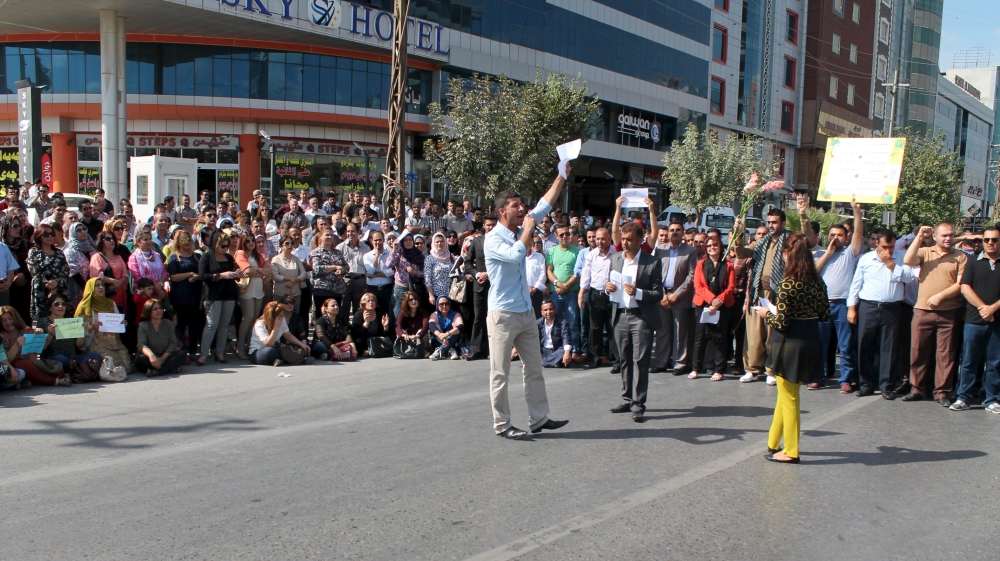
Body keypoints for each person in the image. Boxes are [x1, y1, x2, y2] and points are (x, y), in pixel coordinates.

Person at [484, 170, 570, 439]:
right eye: (515, 206)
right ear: (501, 212)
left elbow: (545, 204)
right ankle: (502, 424)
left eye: (521, 205)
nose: (522, 209)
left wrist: (562, 173)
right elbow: (515, 255)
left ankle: (539, 418)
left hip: (524, 312)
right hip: (502, 314)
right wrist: (529, 230)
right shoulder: (493, 239)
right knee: (500, 373)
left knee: (534, 368)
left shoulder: (522, 229)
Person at [757, 233, 831, 464]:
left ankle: (791, 450)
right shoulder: (818, 282)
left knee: (789, 398)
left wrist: (767, 313)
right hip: (810, 340)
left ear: (788, 254)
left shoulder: (788, 284)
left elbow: (782, 323)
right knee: (785, 395)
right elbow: (824, 314)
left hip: (788, 344)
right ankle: (773, 442)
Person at [901, 223, 967, 406]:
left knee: (946, 354)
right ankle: (916, 389)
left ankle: (942, 392)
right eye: (944, 235)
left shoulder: (960, 256)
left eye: (951, 235)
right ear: (936, 237)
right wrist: (919, 237)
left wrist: (940, 296)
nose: (948, 238)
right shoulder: (926, 252)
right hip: (923, 310)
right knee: (918, 351)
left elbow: (961, 283)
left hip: (949, 312)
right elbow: (908, 260)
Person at [847, 229, 916, 399]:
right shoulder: (866, 259)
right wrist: (852, 307)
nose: (889, 250)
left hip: (892, 308)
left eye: (891, 246)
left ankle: (887, 385)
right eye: (885, 246)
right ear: (877, 243)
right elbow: (856, 284)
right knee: (864, 345)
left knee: (890, 347)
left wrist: (891, 264)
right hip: (868, 306)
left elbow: (908, 277)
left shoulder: (901, 257)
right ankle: (866, 384)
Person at [606, 221, 664, 422]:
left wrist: (638, 292)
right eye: (623, 239)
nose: (625, 243)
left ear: (640, 240)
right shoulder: (615, 259)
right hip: (621, 314)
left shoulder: (651, 262)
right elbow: (609, 283)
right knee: (624, 359)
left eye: (629, 239)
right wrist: (608, 288)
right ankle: (627, 398)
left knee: (640, 360)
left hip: (641, 316)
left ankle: (638, 404)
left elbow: (658, 293)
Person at [811, 197, 864, 390]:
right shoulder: (822, 253)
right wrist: (828, 253)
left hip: (843, 304)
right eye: (832, 234)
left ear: (846, 238)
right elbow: (814, 271)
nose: (835, 238)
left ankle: (846, 380)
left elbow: (859, 232)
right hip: (823, 305)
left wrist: (856, 211)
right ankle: (820, 376)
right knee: (820, 345)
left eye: (840, 235)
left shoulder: (850, 253)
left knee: (845, 345)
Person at [733, 208, 789, 386]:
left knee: (773, 333)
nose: (771, 225)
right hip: (758, 292)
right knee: (754, 333)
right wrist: (739, 232)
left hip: (777, 293)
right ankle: (752, 369)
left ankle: (771, 369)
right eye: (769, 222)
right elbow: (741, 253)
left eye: (774, 222)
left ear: (783, 224)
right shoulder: (761, 242)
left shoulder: (789, 241)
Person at [950, 226, 1000, 412]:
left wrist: (993, 308)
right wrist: (983, 308)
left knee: (995, 363)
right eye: (986, 240)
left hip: (997, 322)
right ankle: (964, 398)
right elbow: (965, 287)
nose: (990, 243)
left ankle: (992, 399)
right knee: (969, 361)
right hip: (974, 320)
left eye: (994, 240)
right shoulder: (972, 261)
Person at [650, 219, 696, 375]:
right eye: (672, 230)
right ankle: (661, 362)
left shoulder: (690, 251)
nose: (674, 232)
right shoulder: (660, 250)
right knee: (662, 331)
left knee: (679, 331)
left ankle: (679, 363)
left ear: (683, 233)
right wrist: (662, 294)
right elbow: (655, 274)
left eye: (678, 230)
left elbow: (691, 276)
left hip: (680, 296)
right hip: (662, 296)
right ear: (668, 233)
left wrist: (677, 294)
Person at [690, 234, 735, 381]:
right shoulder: (701, 264)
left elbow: (730, 287)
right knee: (700, 337)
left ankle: (719, 369)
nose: (711, 248)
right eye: (708, 245)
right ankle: (696, 368)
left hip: (722, 306)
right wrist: (711, 300)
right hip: (703, 304)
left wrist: (718, 302)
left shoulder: (728, 265)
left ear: (721, 246)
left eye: (715, 245)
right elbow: (698, 286)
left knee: (720, 337)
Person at [198, 230, 244, 365]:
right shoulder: (207, 257)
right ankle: (203, 353)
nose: (225, 248)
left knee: (224, 325)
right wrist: (221, 275)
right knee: (212, 324)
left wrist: (237, 274)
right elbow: (202, 276)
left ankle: (220, 352)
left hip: (229, 294)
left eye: (226, 245)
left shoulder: (229, 258)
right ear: (214, 244)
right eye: (222, 246)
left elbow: (232, 274)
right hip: (213, 295)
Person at [0, 305, 70, 386]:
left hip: (34, 363)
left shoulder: (25, 330)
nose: (8, 322)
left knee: (58, 369)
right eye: (4, 320)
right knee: (22, 364)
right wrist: (16, 346)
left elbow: (42, 347)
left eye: (10, 318)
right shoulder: (2, 336)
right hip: (16, 367)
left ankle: (31, 380)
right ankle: (54, 381)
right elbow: (5, 361)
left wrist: (42, 335)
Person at [578, 227, 618, 371]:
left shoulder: (617, 253)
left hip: (613, 296)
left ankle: (613, 357)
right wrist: (581, 293)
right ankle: (597, 357)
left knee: (612, 327)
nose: (599, 242)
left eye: (603, 239)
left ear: (609, 239)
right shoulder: (591, 255)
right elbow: (586, 274)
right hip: (595, 295)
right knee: (595, 328)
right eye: (597, 238)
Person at [75, 278, 133, 373]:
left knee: (126, 366)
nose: (101, 287)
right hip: (95, 342)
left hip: (114, 342)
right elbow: (78, 331)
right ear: (90, 288)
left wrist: (123, 324)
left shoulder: (111, 303)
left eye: (102, 285)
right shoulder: (84, 306)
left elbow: (117, 323)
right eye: (97, 285)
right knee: (108, 364)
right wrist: (91, 327)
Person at [165, 229, 204, 360]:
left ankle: (193, 351)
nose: (186, 242)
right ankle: (180, 351)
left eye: (188, 239)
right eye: (183, 240)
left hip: (195, 296)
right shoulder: (174, 258)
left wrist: (197, 277)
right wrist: (190, 274)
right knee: (180, 326)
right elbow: (173, 277)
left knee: (194, 325)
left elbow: (202, 275)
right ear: (178, 242)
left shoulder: (197, 257)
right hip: (179, 298)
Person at [545, 223, 582, 362]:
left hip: (572, 292)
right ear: (556, 236)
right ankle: (558, 349)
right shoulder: (551, 252)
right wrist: (558, 284)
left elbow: (578, 272)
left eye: (567, 233)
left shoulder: (577, 251)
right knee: (556, 322)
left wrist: (566, 286)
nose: (565, 236)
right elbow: (549, 271)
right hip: (556, 293)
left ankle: (574, 350)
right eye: (562, 234)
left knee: (573, 323)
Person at [38, 293, 103, 370]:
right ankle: (80, 368)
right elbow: (41, 348)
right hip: (53, 358)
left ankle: (76, 368)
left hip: (73, 358)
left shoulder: (71, 321)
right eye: (56, 304)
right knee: (61, 359)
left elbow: (79, 344)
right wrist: (50, 334)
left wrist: (82, 332)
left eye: (63, 304)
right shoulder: (43, 322)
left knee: (96, 356)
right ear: (50, 308)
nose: (61, 306)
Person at [234, 233, 270, 359]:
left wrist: (257, 272)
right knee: (248, 317)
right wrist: (260, 272)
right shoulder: (240, 253)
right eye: (247, 241)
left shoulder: (257, 255)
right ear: (243, 242)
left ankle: (250, 345)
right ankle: (240, 347)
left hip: (259, 288)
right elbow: (247, 270)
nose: (251, 243)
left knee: (255, 318)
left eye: (252, 240)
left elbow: (269, 270)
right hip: (247, 289)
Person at [464, 215, 495, 361]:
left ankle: (491, 350)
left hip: (496, 285)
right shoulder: (476, 241)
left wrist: (488, 274)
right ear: (484, 225)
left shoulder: (500, 242)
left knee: (494, 319)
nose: (491, 227)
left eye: (494, 225)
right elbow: (468, 263)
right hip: (480, 285)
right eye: (488, 225)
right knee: (478, 318)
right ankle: (476, 349)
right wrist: (477, 274)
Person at [26, 224, 70, 322]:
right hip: (41, 291)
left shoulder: (59, 252)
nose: (50, 236)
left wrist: (56, 283)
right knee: (43, 321)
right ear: (39, 236)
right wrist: (49, 285)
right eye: (46, 234)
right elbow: (34, 270)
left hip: (60, 290)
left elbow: (65, 271)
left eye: (52, 234)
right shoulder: (34, 251)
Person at [248, 300, 311, 366]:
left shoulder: (281, 319)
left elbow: (288, 335)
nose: (283, 316)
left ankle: (282, 360)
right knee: (271, 351)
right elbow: (268, 343)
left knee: (293, 347)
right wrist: (275, 328)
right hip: (259, 351)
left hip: (277, 348)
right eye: (280, 315)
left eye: (282, 314)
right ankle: (297, 359)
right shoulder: (260, 324)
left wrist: (301, 344)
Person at [135, 299, 187, 376]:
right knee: (140, 360)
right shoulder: (143, 326)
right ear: (149, 311)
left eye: (160, 308)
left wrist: (162, 359)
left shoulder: (168, 323)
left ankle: (156, 371)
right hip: (150, 356)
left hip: (165, 355)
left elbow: (173, 342)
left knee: (182, 354)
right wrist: (151, 356)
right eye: (155, 309)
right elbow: (141, 345)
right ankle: (170, 368)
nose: (159, 311)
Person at [309, 229, 348, 319]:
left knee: (335, 316)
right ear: (321, 237)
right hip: (322, 289)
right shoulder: (316, 252)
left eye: (331, 235)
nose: (330, 237)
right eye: (327, 235)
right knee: (321, 316)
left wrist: (342, 270)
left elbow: (346, 267)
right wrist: (334, 267)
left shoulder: (337, 252)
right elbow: (316, 269)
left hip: (337, 289)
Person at [336, 222, 371, 321]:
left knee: (359, 309)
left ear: (358, 232)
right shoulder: (339, 248)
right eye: (348, 231)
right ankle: (344, 332)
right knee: (343, 308)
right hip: (345, 281)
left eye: (353, 231)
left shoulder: (366, 248)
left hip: (360, 282)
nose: (350, 234)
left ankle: (357, 331)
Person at [1, 217, 32, 323]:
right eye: (14, 226)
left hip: (23, 285)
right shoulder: (2, 246)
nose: (18, 229)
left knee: (23, 317)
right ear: (5, 227)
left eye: (20, 226)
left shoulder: (27, 245)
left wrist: (23, 274)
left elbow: (34, 265)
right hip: (6, 286)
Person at [387, 232, 425, 317]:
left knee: (413, 313)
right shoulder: (398, 253)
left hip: (414, 288)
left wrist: (415, 272)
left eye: (410, 240)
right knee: (398, 312)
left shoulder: (419, 255)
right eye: (406, 240)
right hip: (401, 288)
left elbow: (425, 273)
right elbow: (389, 264)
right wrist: (394, 249)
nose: (408, 242)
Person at [127, 230, 169, 301]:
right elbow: (138, 278)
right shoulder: (134, 257)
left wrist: (160, 283)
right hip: (144, 296)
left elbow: (164, 272)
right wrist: (155, 289)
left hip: (160, 293)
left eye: (150, 239)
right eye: (145, 240)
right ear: (138, 242)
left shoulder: (157, 255)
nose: (149, 241)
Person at [351, 292, 392, 356]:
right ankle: (363, 352)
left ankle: (375, 350)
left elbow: (384, 334)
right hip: (364, 342)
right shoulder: (358, 315)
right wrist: (366, 323)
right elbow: (355, 334)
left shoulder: (380, 314)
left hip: (376, 341)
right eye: (368, 301)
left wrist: (385, 327)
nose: (371, 302)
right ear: (364, 304)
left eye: (372, 301)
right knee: (358, 341)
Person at [363, 230, 394, 314]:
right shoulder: (367, 256)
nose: (378, 242)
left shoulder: (390, 254)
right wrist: (376, 256)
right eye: (376, 240)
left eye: (380, 239)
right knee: (373, 313)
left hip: (387, 289)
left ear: (383, 240)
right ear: (371, 241)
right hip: (372, 289)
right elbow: (370, 271)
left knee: (387, 313)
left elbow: (391, 271)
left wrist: (374, 275)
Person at [536, 299, 572, 368]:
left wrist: (567, 352)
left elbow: (566, 337)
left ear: (555, 310)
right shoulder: (538, 323)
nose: (548, 312)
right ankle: (553, 362)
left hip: (557, 350)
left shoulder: (562, 321)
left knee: (564, 351)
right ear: (542, 312)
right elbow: (529, 335)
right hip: (544, 350)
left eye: (551, 309)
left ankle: (543, 362)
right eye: (545, 310)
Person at [423, 232, 455, 306]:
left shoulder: (450, 256)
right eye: (437, 242)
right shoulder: (429, 258)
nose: (439, 243)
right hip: (436, 295)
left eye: (442, 241)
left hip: (451, 294)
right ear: (433, 243)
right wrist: (431, 295)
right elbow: (427, 278)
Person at [428, 295, 463, 360]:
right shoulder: (434, 314)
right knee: (436, 327)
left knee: (455, 331)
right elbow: (431, 326)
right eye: (441, 304)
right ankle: (451, 349)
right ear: (437, 305)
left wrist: (446, 334)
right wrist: (442, 337)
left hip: (452, 337)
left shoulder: (456, 314)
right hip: (439, 339)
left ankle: (440, 350)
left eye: (447, 304)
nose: (444, 306)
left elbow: (460, 327)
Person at [526, 235, 548, 318]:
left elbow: (543, 275)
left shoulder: (539, 257)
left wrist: (534, 289)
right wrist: (526, 288)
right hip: (522, 292)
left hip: (536, 292)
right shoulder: (519, 257)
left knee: (537, 317)